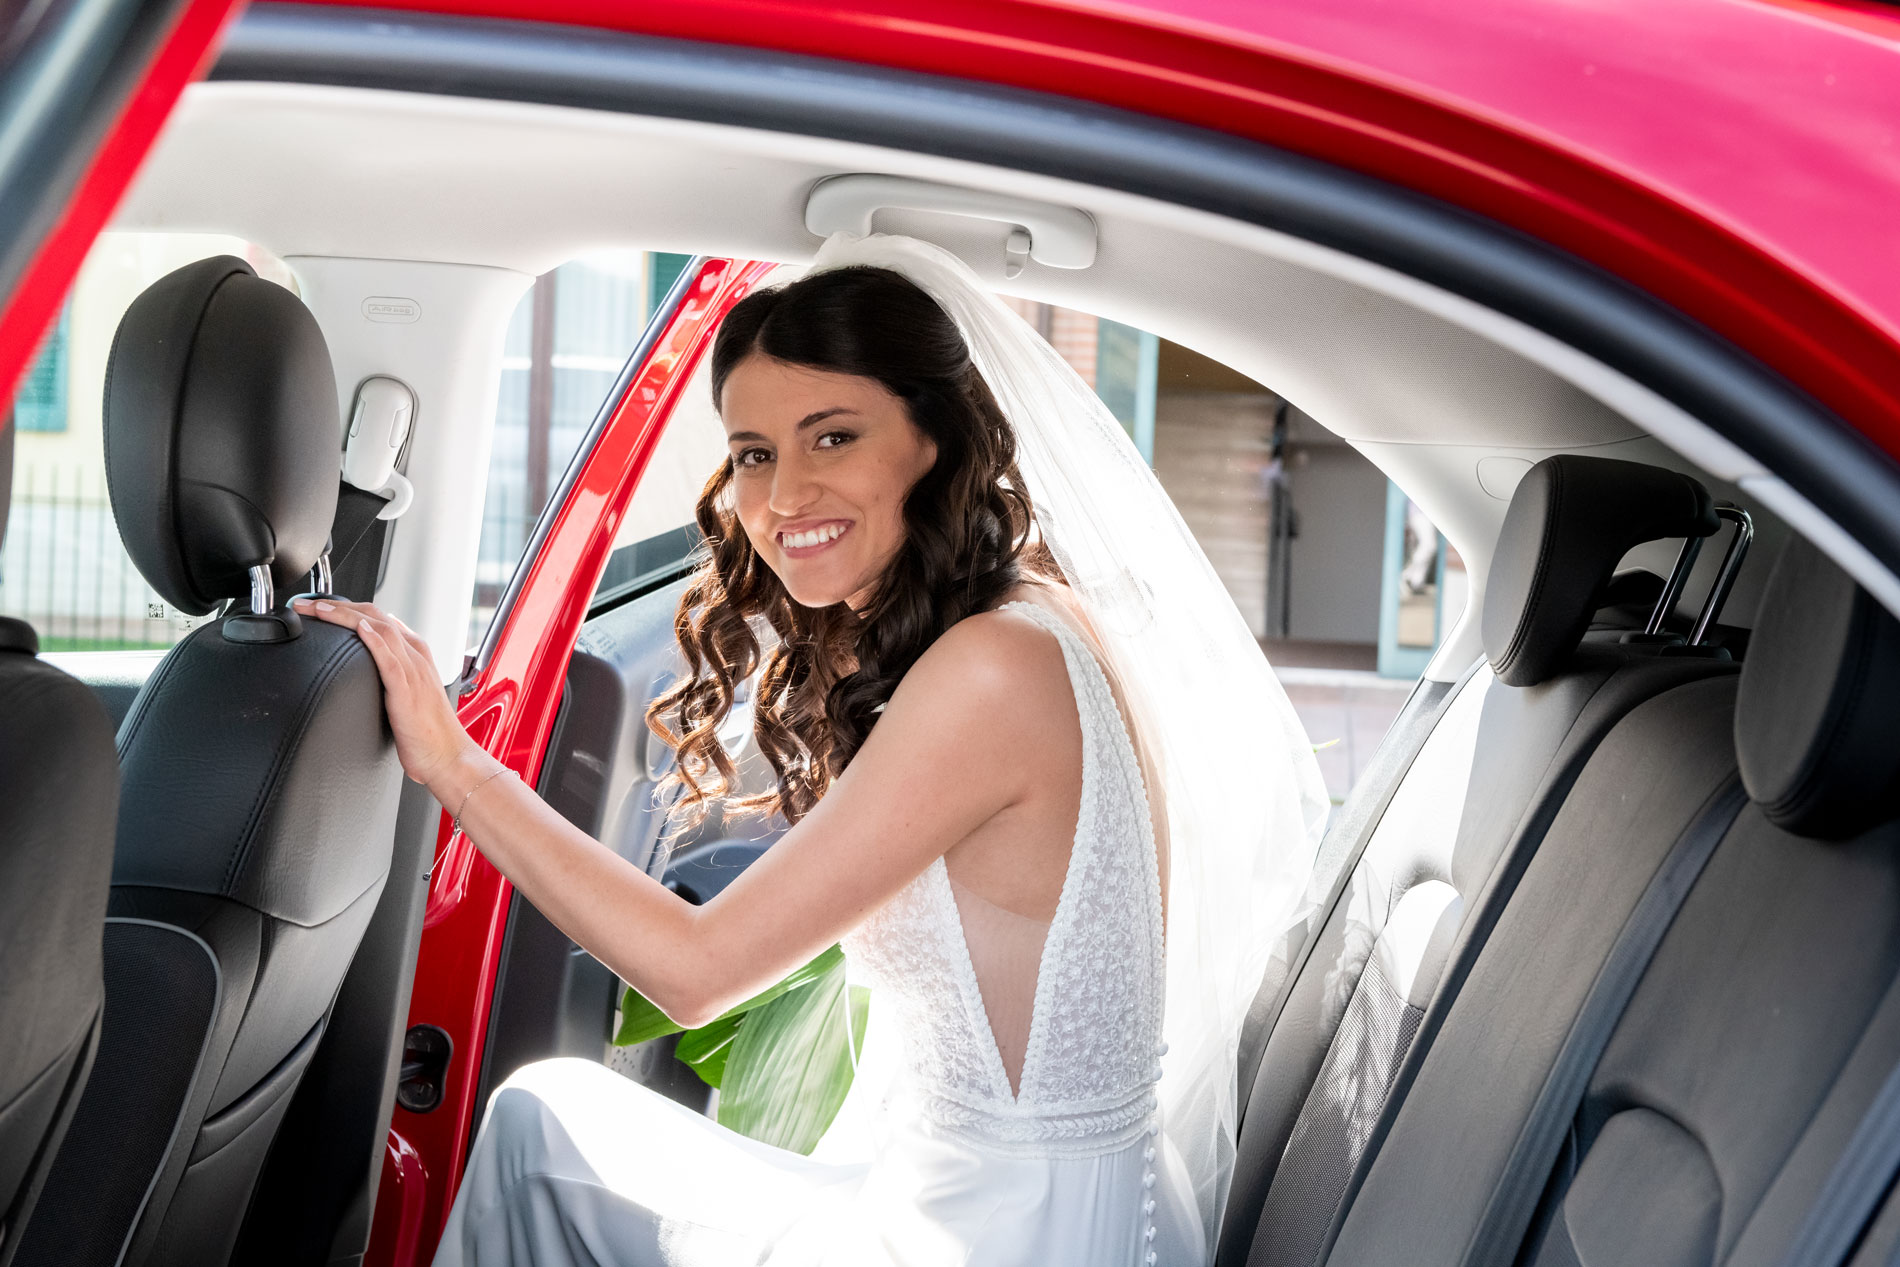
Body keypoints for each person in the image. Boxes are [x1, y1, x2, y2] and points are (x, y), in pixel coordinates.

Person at [295, 232, 1329, 1267]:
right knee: (551, 1117)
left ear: (938, 441)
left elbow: (695, 973)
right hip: (1014, 1211)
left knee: (536, 1131)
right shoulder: (1023, 620)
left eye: (832, 437)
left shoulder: (991, 672)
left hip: (993, 1237)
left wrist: (456, 764)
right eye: (754, 453)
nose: (783, 496)